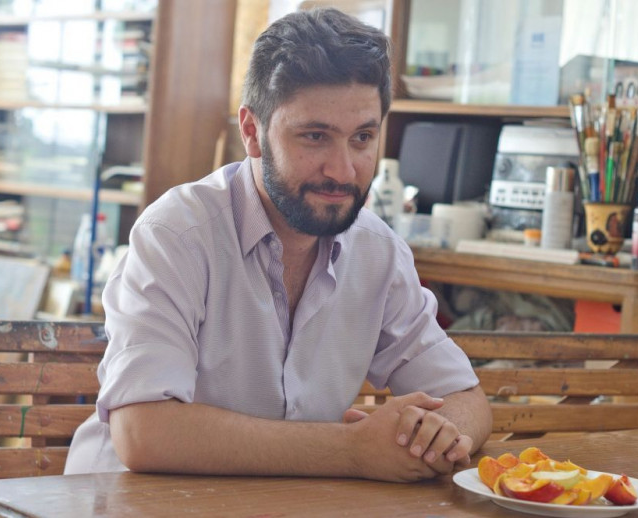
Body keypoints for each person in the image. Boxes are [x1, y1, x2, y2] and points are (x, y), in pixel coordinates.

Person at [64, 7, 492, 482]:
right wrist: (351, 451)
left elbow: (466, 400)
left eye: (362, 137)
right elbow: (144, 432)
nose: (343, 170)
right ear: (252, 132)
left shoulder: (379, 252)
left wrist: (441, 436)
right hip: (125, 501)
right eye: (315, 136)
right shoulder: (176, 234)